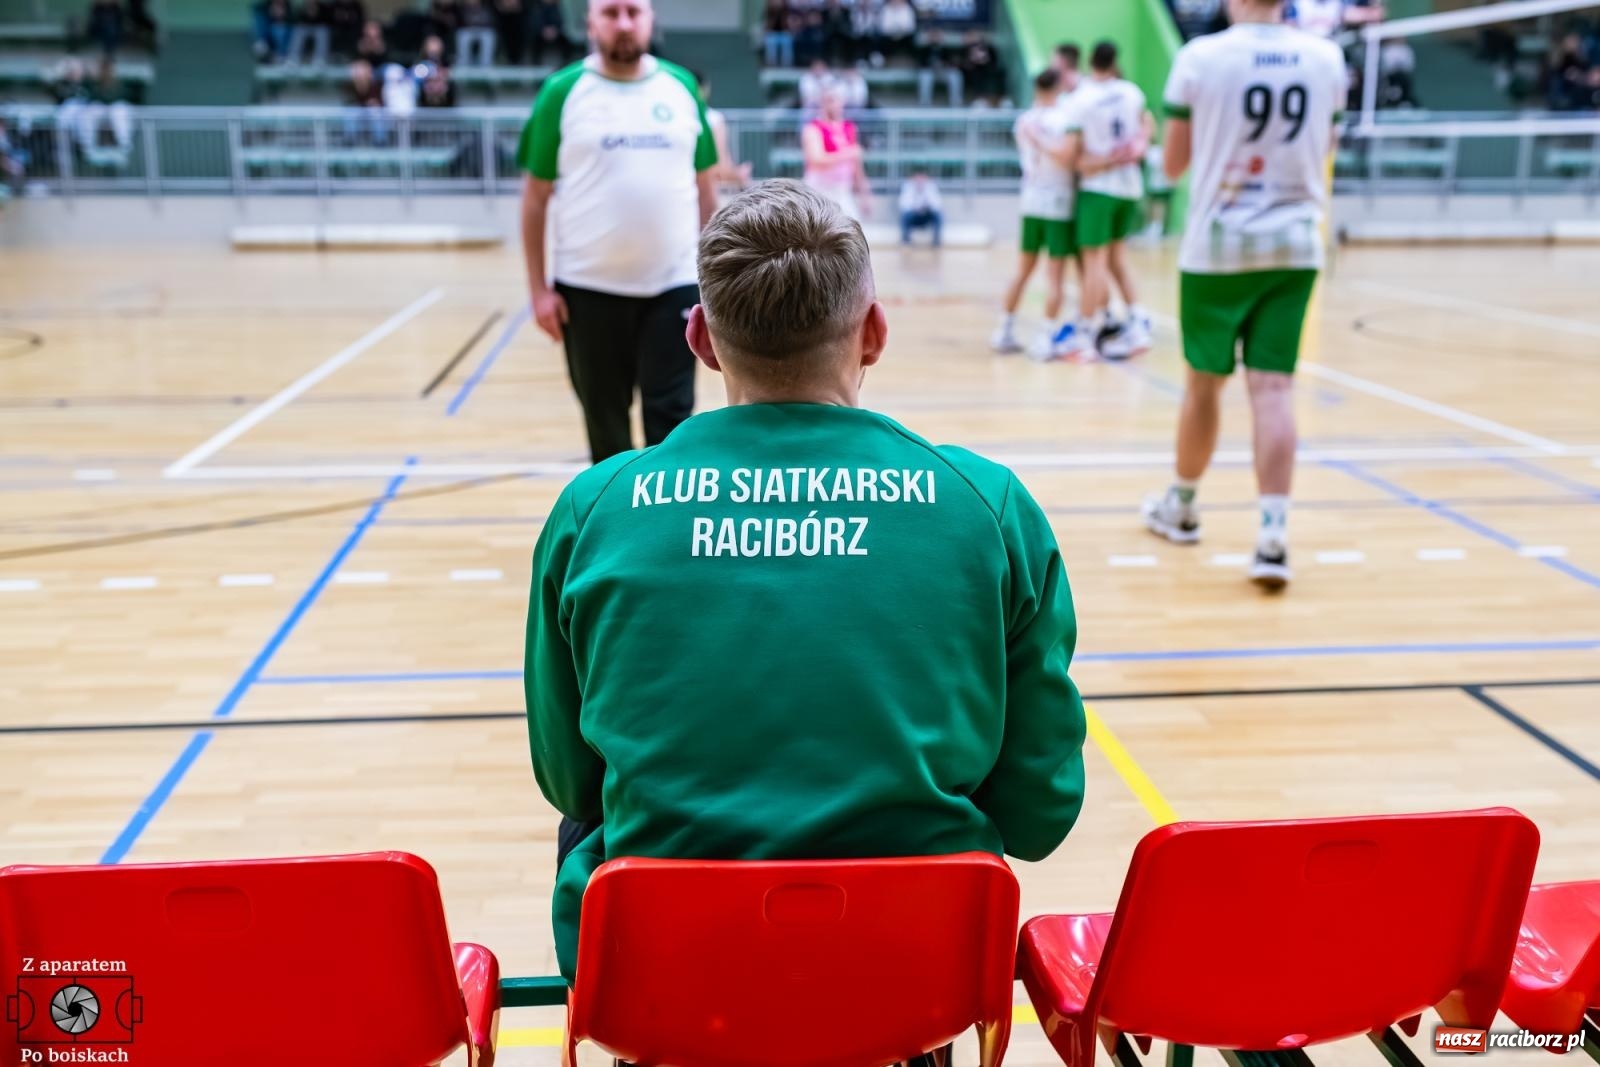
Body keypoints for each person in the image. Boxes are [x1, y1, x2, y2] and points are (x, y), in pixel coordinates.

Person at [526, 178, 1088, 986]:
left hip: (661, 968)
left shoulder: (596, 507)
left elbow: (567, 776)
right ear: (874, 332)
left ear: (700, 338)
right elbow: (1040, 809)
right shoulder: (987, 504)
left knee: (592, 813)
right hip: (916, 967)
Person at [1141, 0, 1345, 589]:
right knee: (1275, 388)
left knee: (1204, 384)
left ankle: (1181, 505)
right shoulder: (1326, 58)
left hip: (1219, 248)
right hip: (1295, 244)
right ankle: (1273, 536)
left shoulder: (1201, 57)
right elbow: (1325, 145)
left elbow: (1174, 165)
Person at [518, 0, 719, 463]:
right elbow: (534, 198)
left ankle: (668, 533)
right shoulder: (562, 92)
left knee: (672, 428)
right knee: (605, 425)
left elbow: (706, 191)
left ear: (651, 20)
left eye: (634, 12)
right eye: (611, 13)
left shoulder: (681, 87)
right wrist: (537, 290)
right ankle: (613, 533)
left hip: (674, 287)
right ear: (590, 23)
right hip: (587, 291)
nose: (624, 24)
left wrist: (713, 280)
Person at [1062, 41, 1154, 359]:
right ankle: (1138, 322)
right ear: (1115, 62)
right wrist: (1139, 145)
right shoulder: (1132, 93)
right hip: (1130, 187)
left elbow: (1074, 156)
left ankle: (1087, 333)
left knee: (1094, 264)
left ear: (1091, 61)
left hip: (1098, 188)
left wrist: (1101, 161)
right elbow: (1148, 123)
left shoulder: (1080, 100)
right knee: (1117, 260)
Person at [993, 69, 1079, 360]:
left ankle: (1004, 330)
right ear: (1057, 87)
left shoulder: (1025, 120)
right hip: (1057, 200)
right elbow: (1067, 156)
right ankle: (1045, 337)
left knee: (1024, 270)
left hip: (1030, 198)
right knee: (1055, 276)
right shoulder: (1064, 118)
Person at [802, 85, 870, 221]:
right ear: (821, 103)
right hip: (819, 189)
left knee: (852, 231)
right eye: (828, 100)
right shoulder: (813, 128)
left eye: (835, 100)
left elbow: (856, 166)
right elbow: (816, 159)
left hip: (842, 189)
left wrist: (865, 195)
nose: (833, 104)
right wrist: (849, 153)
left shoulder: (849, 128)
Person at [898, 169, 942, 246]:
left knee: (938, 214)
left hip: (927, 215)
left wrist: (926, 207)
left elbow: (937, 204)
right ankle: (906, 240)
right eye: (917, 178)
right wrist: (916, 208)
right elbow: (903, 204)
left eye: (922, 178)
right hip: (913, 215)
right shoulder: (908, 186)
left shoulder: (930, 186)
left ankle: (936, 240)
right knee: (905, 215)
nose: (920, 180)